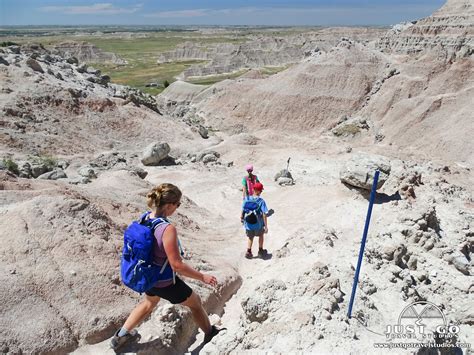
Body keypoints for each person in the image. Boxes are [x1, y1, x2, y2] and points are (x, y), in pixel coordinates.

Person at [111, 183, 219, 350]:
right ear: (169, 205)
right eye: (178, 204)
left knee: (149, 302)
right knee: (195, 302)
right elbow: (177, 265)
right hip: (164, 281)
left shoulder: (145, 218)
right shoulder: (167, 229)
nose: (177, 208)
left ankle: (121, 335)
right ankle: (210, 333)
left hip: (148, 277)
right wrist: (202, 277)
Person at [241, 182, 269, 259]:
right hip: (258, 224)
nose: (261, 192)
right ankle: (260, 251)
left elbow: (243, 210)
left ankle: (249, 251)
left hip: (248, 224)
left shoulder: (247, 199)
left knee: (250, 237)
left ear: (253, 189)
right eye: (261, 190)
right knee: (261, 235)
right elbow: (264, 214)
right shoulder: (261, 201)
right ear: (259, 191)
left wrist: (242, 218)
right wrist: (266, 226)